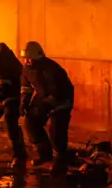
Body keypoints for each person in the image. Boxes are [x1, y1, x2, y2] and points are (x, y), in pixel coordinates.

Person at [19, 41, 75, 174]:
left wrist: (51, 107)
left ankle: (60, 160)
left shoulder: (52, 69)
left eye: (29, 58)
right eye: (25, 58)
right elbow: (26, 88)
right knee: (31, 122)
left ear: (38, 57)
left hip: (62, 100)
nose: (27, 61)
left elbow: (58, 91)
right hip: (44, 97)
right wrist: (24, 103)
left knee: (56, 129)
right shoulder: (27, 69)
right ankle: (44, 154)